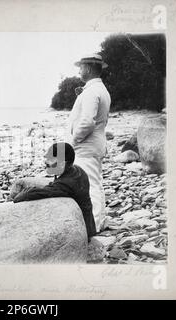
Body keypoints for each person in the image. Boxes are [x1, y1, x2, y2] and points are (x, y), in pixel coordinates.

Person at [13, 142, 97, 240]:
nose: (46, 162)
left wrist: (18, 198)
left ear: (63, 163)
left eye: (50, 159)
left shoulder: (66, 183)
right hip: (88, 225)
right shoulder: (76, 170)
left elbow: (35, 193)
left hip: (83, 231)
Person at [66, 53, 111, 232]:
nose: (79, 70)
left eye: (81, 67)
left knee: (90, 184)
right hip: (95, 143)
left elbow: (87, 122)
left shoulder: (92, 91)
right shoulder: (98, 89)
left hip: (86, 145)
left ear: (89, 68)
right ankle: (100, 220)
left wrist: (72, 142)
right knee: (96, 182)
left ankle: (95, 224)